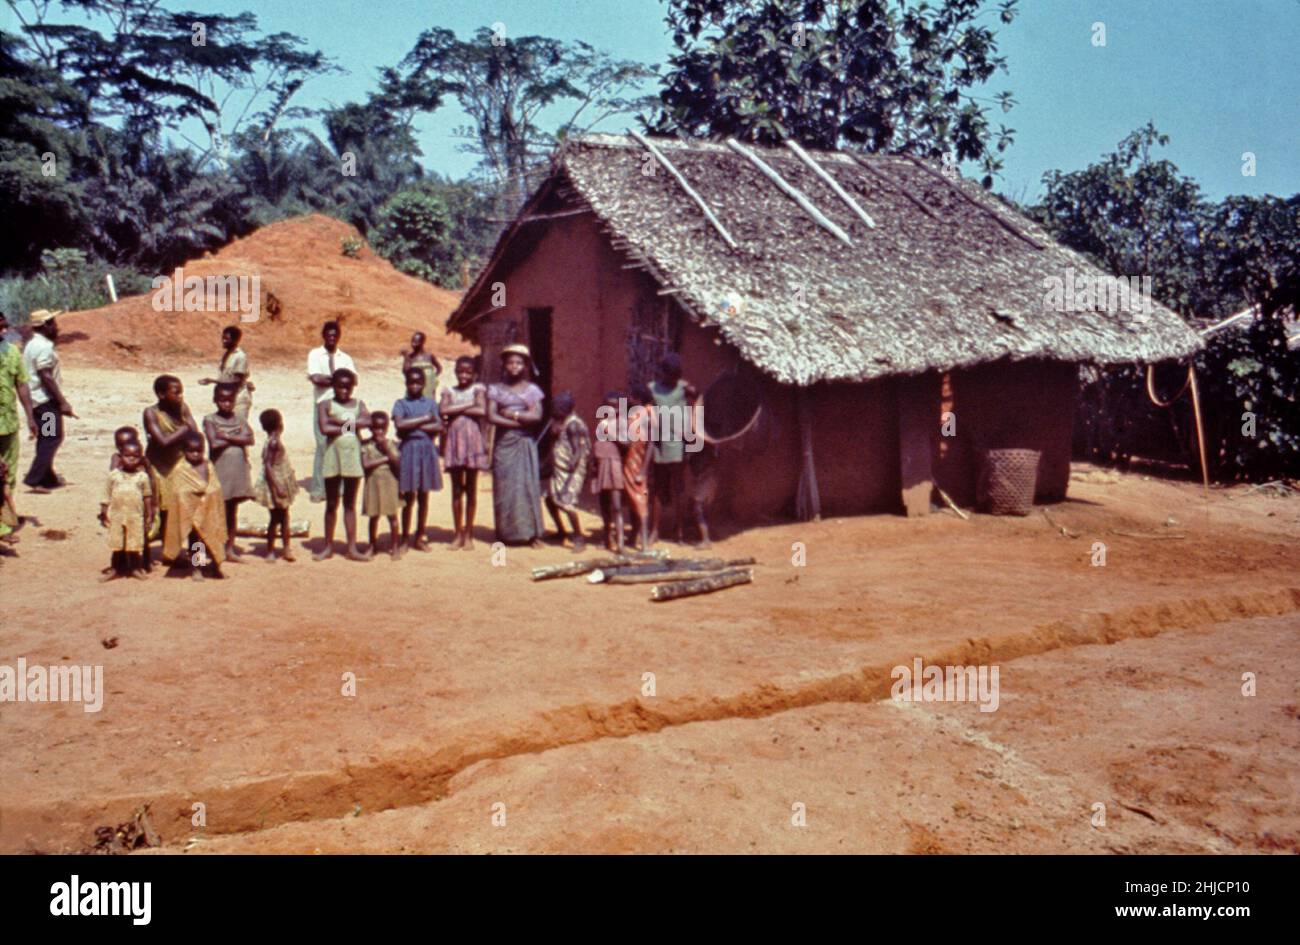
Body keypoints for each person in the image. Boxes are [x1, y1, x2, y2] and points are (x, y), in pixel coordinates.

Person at [486, 345, 546, 547]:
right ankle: (506, 533)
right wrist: (521, 421)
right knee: (505, 487)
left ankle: (531, 534)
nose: (514, 366)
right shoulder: (496, 389)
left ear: (525, 365)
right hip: (504, 444)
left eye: (519, 362)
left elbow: (536, 416)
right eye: (510, 362)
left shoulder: (532, 391)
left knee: (527, 486)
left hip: (524, 443)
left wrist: (512, 414)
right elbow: (491, 416)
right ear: (504, 364)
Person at [313, 367, 370, 561]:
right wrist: (350, 426)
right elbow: (324, 427)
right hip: (333, 456)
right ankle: (328, 546)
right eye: (340, 387)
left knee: (350, 503)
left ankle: (351, 547)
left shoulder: (358, 403)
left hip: (352, 457)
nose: (344, 391)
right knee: (331, 503)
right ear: (333, 386)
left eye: (348, 387)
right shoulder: (324, 404)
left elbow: (367, 421)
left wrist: (337, 423)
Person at [143, 374, 199, 566]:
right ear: (161, 394)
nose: (181, 396)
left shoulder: (182, 409)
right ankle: (169, 553)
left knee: (190, 510)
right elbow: (163, 441)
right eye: (176, 393)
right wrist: (184, 430)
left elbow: (197, 436)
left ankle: (195, 559)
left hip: (178, 462)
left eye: (182, 392)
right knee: (164, 511)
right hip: (158, 465)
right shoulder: (151, 413)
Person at [22, 310, 74, 493]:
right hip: (46, 403)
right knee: (52, 438)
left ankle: (47, 477)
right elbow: (45, 375)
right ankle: (34, 479)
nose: (56, 326)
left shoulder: (32, 344)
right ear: (44, 326)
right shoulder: (43, 347)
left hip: (37, 400)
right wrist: (62, 402)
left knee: (46, 438)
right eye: (52, 322)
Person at [440, 355, 489, 550]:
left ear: (475, 374)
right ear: (455, 371)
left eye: (468, 372)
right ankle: (457, 533)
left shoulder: (478, 389)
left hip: (472, 442)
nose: (464, 375)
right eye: (460, 371)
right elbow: (443, 409)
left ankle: (468, 533)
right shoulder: (448, 390)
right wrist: (469, 406)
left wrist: (455, 410)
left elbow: (482, 410)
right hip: (454, 443)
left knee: (471, 489)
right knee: (456, 490)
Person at [163, 431, 227, 579]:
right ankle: (196, 568)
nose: (196, 454)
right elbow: (179, 492)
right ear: (184, 451)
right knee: (196, 542)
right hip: (190, 511)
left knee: (213, 537)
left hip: (208, 509)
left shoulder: (208, 465)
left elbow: (214, 487)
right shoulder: (181, 470)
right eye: (191, 451)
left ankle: (215, 566)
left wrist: (208, 497)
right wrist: (193, 501)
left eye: (199, 451)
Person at [203, 382, 255, 562]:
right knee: (215, 510)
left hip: (237, 472)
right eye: (222, 400)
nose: (227, 404)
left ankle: (229, 548)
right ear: (215, 400)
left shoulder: (239, 419)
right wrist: (237, 438)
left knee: (232, 510)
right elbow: (214, 443)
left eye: (230, 400)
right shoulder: (210, 420)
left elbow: (250, 438)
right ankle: (209, 550)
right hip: (220, 471)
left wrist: (226, 436)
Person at [392, 367, 442, 551]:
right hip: (409, 450)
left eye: (418, 382)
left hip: (426, 450)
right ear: (406, 384)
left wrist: (412, 425)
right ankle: (405, 536)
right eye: (411, 382)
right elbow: (399, 424)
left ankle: (420, 535)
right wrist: (424, 419)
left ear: (424, 384)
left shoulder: (430, 403)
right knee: (408, 496)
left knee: (423, 496)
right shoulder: (400, 403)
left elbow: (438, 426)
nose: (414, 386)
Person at [648, 353, 697, 544]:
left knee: (678, 488)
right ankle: (654, 531)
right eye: (670, 374)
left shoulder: (684, 388)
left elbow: (700, 400)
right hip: (659, 444)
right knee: (659, 489)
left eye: (676, 375)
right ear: (663, 373)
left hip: (677, 444)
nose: (673, 378)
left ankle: (680, 532)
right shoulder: (652, 389)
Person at [306, 321, 356, 502]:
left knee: (345, 442)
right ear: (324, 335)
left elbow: (353, 380)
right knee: (322, 446)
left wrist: (333, 380)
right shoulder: (315, 355)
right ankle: (319, 489)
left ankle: (342, 488)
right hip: (323, 405)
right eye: (329, 334)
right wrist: (339, 380)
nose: (332, 338)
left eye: (335, 335)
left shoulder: (346, 358)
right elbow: (316, 378)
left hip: (344, 406)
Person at [543, 391, 590, 552]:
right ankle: (561, 531)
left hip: (571, 471)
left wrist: (573, 463)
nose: (557, 411)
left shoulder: (574, 425)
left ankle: (579, 537)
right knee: (550, 500)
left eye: (560, 408)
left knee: (568, 504)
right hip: (560, 469)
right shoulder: (560, 421)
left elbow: (578, 449)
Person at [98, 440, 152, 581]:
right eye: (127, 455)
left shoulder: (142, 477)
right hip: (117, 515)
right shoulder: (113, 475)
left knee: (134, 543)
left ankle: (135, 568)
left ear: (141, 458)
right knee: (117, 543)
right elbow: (106, 494)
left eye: (135, 456)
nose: (131, 458)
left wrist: (149, 515)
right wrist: (104, 512)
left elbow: (147, 496)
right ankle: (116, 568)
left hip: (135, 516)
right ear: (120, 457)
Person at [0, 312, 36, 513]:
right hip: (48, 408)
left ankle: (5, 518)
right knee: (51, 439)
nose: (4, 331)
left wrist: (31, 417)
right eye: (1, 326)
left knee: (8, 473)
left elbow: (21, 383)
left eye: (5, 326)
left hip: (10, 423)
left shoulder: (13, 352)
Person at [252, 409, 298, 562]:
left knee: (283, 517)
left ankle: (285, 548)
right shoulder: (273, 443)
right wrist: (277, 487)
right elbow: (269, 467)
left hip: (279, 481)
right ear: (280, 424)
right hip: (276, 484)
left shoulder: (272, 440)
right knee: (276, 519)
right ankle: (272, 550)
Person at [362, 412, 403, 559]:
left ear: (386, 429)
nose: (378, 432)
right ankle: (372, 545)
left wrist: (385, 448)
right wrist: (386, 458)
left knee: (392, 517)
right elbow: (366, 465)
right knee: (373, 516)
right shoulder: (366, 445)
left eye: (381, 429)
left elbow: (398, 463)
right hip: (372, 483)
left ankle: (395, 547)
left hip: (390, 483)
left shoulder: (391, 444)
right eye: (374, 428)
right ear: (370, 428)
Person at [591, 391, 626, 554]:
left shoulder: (622, 422)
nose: (612, 409)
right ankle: (606, 539)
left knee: (617, 506)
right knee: (604, 505)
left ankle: (620, 543)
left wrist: (611, 433)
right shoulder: (601, 422)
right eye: (609, 405)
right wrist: (593, 465)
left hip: (614, 464)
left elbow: (627, 444)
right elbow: (597, 444)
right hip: (601, 464)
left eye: (615, 406)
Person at [623, 382, 655, 552]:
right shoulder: (634, 414)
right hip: (629, 461)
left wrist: (643, 470)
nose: (628, 398)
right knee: (631, 501)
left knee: (641, 500)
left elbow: (650, 444)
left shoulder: (647, 415)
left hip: (638, 464)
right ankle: (634, 536)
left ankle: (643, 543)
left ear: (637, 398)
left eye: (631, 396)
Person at [199, 325, 255, 421]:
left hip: (238, 397)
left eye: (227, 339)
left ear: (236, 340)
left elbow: (236, 380)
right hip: (228, 398)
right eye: (223, 338)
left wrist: (213, 381)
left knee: (238, 426)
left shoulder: (240, 356)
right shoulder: (227, 354)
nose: (223, 341)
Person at [400, 332, 442, 400]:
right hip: (415, 386)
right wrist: (406, 358)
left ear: (422, 342)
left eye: (416, 342)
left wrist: (433, 378)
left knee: (429, 403)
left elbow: (439, 368)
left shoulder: (429, 356)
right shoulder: (410, 357)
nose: (413, 344)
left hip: (429, 386)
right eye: (412, 341)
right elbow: (405, 372)